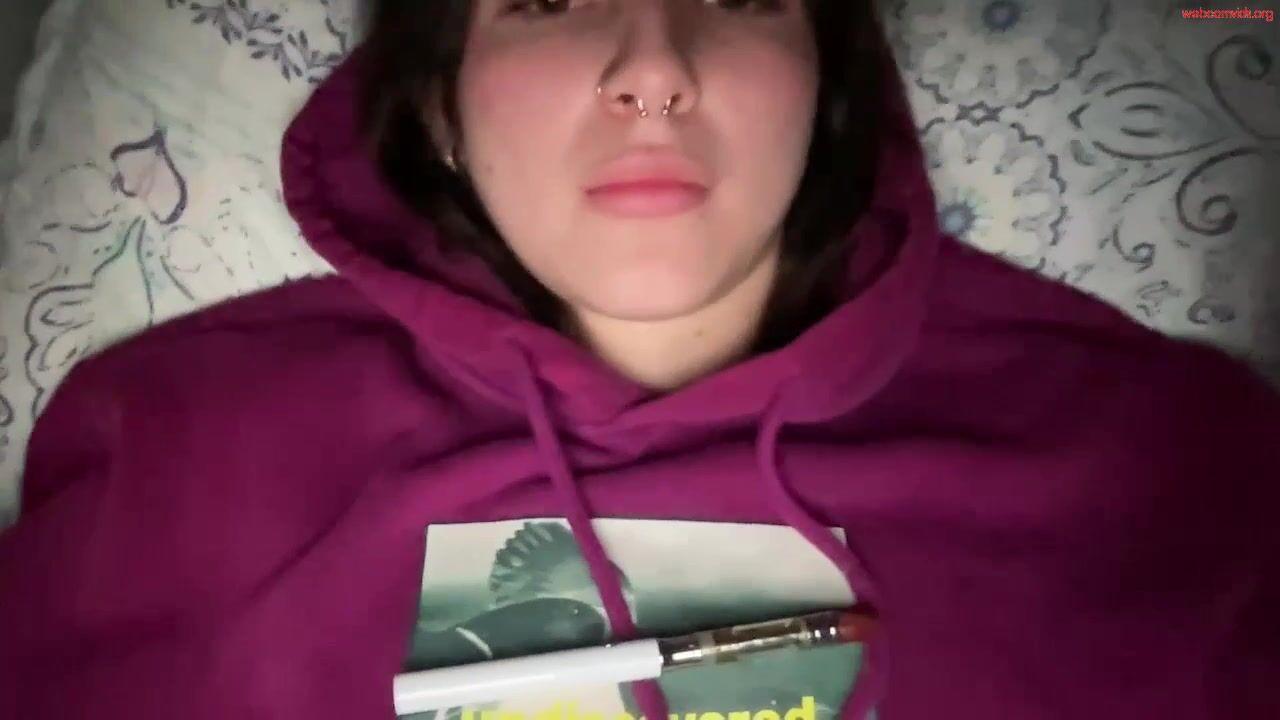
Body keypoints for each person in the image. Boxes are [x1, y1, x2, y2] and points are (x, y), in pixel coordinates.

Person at [0, 1, 1276, 718]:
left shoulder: (1154, 468)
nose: (654, 68)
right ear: (439, 107)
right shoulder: (176, 449)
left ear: (826, 85)